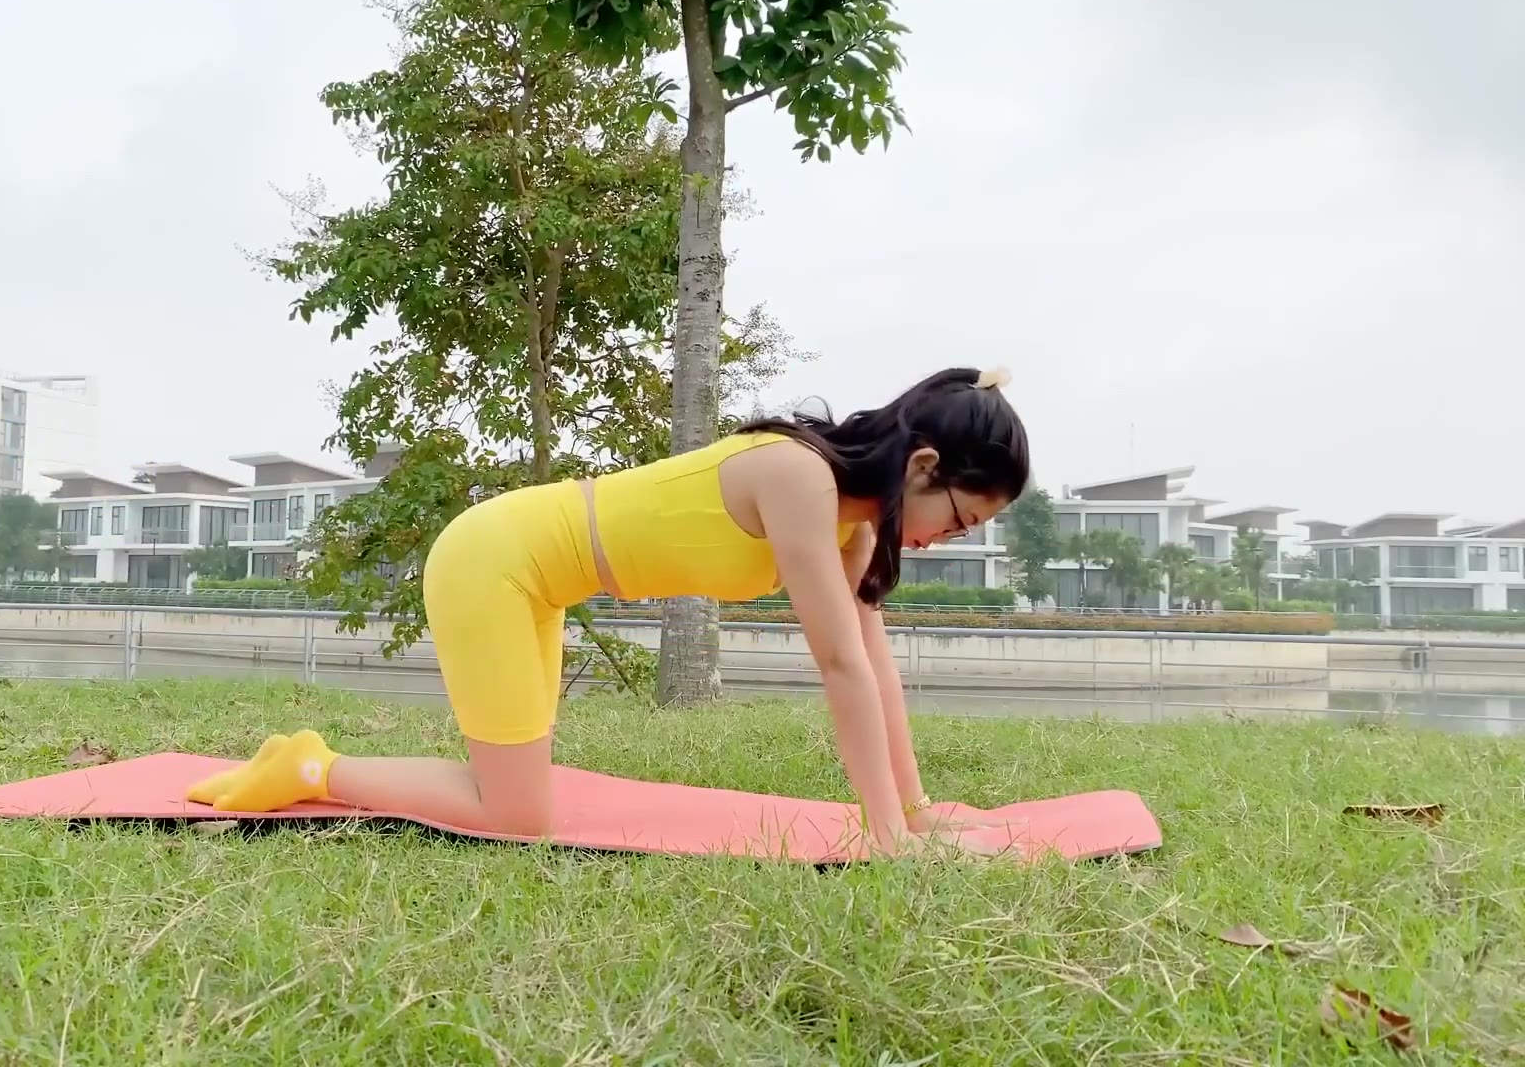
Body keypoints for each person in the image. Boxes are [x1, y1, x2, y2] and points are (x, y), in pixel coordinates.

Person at [188, 366, 1032, 857]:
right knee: (516, 817)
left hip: (541, 582)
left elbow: (873, 662)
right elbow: (838, 665)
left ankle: (308, 763)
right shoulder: (798, 477)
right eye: (961, 519)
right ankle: (308, 766)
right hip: (493, 560)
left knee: (512, 800)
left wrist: (914, 812)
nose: (946, 540)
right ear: (922, 467)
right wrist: (887, 839)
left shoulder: (854, 525)